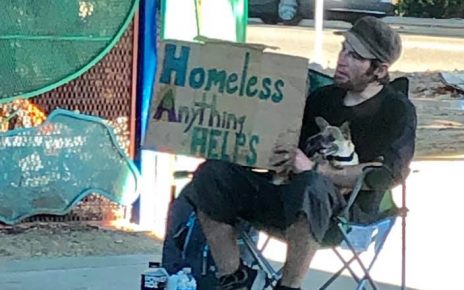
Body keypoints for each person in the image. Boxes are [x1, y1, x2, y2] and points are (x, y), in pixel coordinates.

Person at [183, 16, 417, 290]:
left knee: (312, 184)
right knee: (213, 173)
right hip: (285, 198)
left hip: (343, 215)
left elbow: (388, 173)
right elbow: (285, 146)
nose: (342, 59)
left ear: (379, 69)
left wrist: (317, 170)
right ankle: (234, 278)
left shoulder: (396, 110)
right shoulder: (322, 98)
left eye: (355, 56)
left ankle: (288, 286)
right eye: (343, 49)